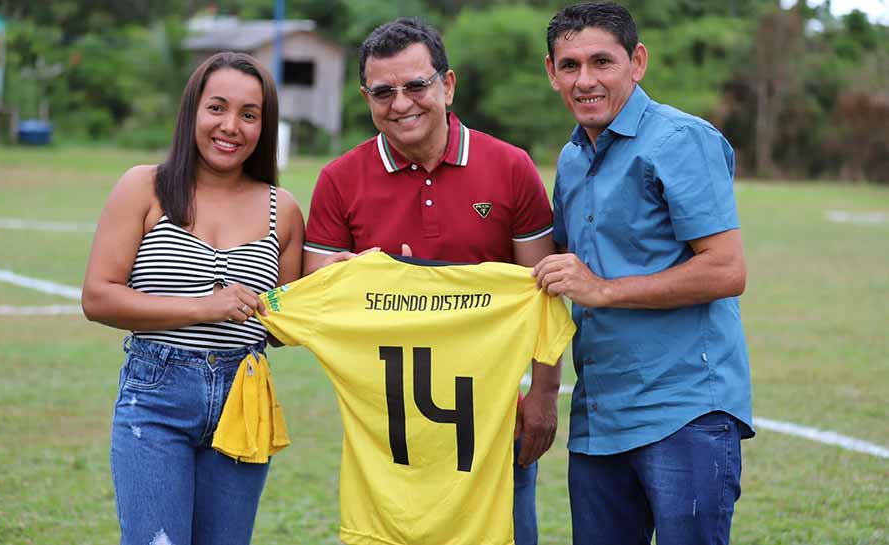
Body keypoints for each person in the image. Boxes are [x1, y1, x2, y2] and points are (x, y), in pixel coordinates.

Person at [302, 18, 560, 545]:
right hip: (388, 427)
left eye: (416, 85)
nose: (401, 104)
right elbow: (318, 292)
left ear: (447, 84)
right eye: (383, 91)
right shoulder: (339, 179)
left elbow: (543, 292)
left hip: (491, 420)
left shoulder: (510, 167)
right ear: (365, 97)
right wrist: (373, 273)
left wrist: (545, 394)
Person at [534, 3, 755, 545]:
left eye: (602, 62)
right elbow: (553, 264)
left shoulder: (680, 140)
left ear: (637, 61)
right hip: (599, 417)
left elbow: (726, 270)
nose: (585, 80)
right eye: (569, 66)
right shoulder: (569, 158)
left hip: (684, 412)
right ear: (551, 72)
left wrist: (601, 290)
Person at [81, 52, 305, 545]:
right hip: (156, 396)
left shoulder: (282, 210)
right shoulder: (145, 186)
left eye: (249, 115)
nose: (231, 126)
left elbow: (284, 325)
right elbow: (98, 297)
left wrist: (345, 276)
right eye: (217, 108)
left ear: (263, 127)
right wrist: (206, 306)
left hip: (244, 398)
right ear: (193, 112)